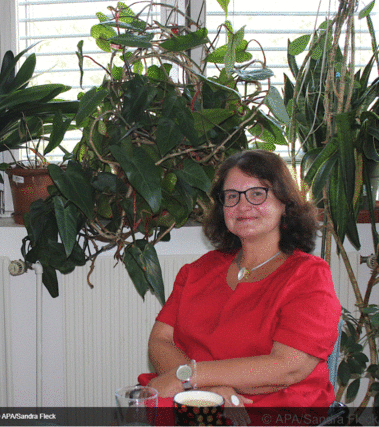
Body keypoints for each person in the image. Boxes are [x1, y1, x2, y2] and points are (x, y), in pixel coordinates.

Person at [139, 150, 341, 416]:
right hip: (196, 399)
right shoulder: (198, 271)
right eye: (232, 197)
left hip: (273, 410)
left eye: (258, 193)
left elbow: (286, 367)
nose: (243, 206)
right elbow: (160, 341)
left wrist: (191, 378)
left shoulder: (309, 275)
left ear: (285, 203)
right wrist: (202, 391)